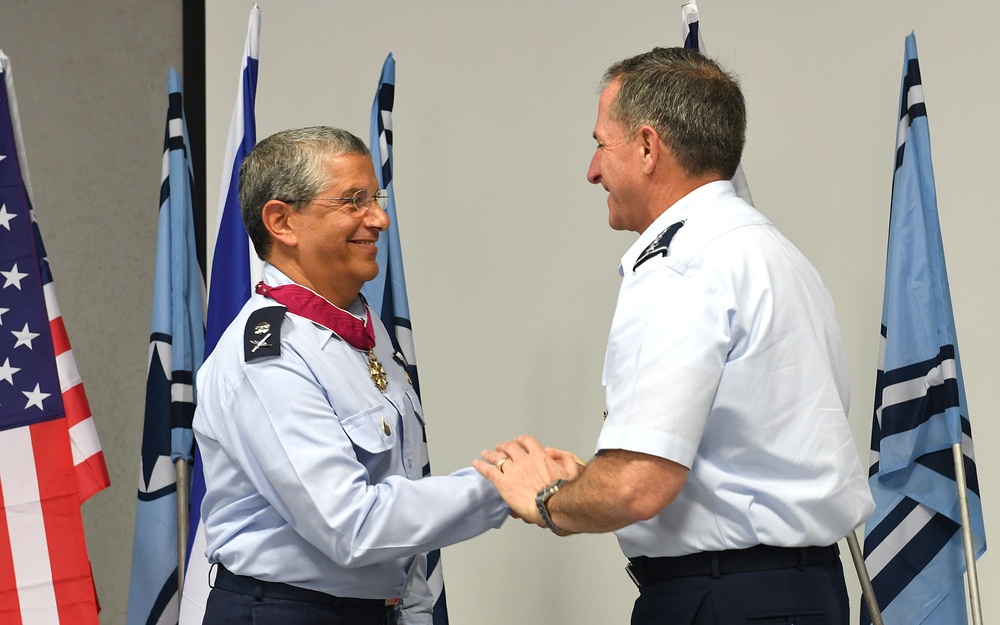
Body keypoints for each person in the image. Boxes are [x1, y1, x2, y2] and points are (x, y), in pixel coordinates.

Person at [474, 47, 875, 625]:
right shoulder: (772, 253)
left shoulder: (682, 265)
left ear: (645, 147)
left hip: (725, 602)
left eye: (599, 144)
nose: (591, 170)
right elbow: (741, 460)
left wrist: (544, 498)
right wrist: (591, 479)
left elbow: (638, 486)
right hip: (800, 595)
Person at [193, 126, 508, 625]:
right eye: (354, 201)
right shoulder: (269, 356)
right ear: (282, 221)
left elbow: (397, 495)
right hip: (285, 612)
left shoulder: (360, 328)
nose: (379, 219)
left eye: (375, 199)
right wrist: (502, 487)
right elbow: (352, 526)